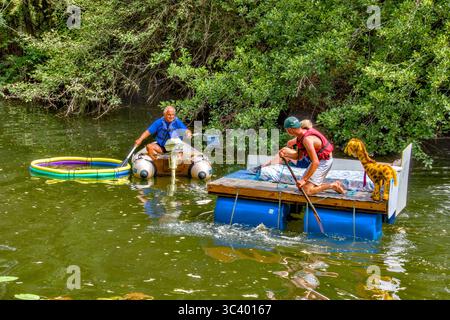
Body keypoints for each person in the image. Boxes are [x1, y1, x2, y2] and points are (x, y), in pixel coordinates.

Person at [253, 116, 345, 196]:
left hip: (324, 161)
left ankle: (333, 185)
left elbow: (315, 162)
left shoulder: (306, 140)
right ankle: (332, 185)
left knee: (307, 191)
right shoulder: (300, 138)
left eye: (286, 130)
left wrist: (304, 180)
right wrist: (286, 154)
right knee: (302, 188)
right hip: (319, 160)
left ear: (290, 130)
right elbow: (298, 156)